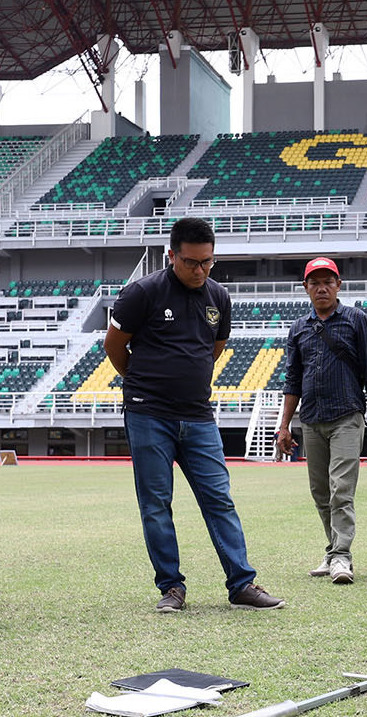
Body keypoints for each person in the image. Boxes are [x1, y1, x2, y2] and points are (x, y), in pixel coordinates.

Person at [106, 218, 284, 614]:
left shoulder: (218, 297)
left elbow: (214, 349)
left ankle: (241, 584)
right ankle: (171, 588)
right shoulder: (142, 293)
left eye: (207, 262)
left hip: (199, 415)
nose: (200, 270)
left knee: (219, 498)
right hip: (148, 414)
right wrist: (143, 385)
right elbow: (114, 347)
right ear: (172, 256)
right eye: (191, 262)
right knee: (156, 502)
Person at [276, 256, 367, 584]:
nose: (322, 288)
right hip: (311, 418)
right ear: (306, 288)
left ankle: (342, 556)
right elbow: (292, 380)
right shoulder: (298, 328)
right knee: (320, 491)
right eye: (315, 282)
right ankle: (333, 549)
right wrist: (285, 425)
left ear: (339, 285)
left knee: (342, 487)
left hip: (347, 416)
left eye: (328, 282)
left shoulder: (356, 320)